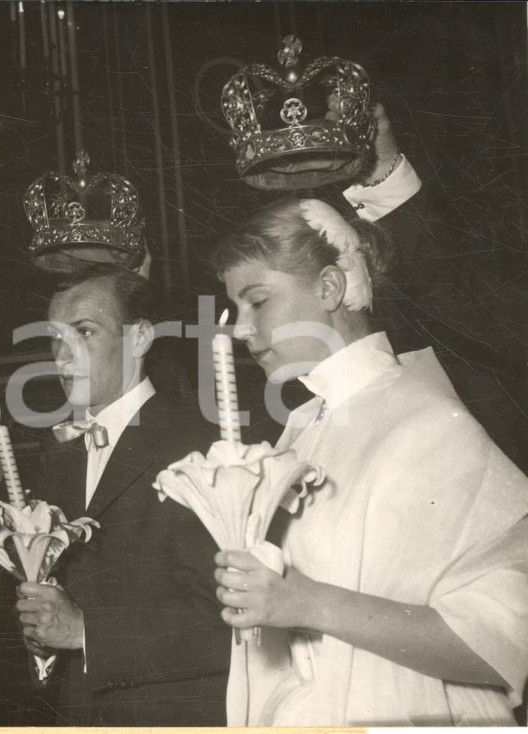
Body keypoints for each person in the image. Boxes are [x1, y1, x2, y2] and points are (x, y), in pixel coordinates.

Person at [210, 196, 528, 726]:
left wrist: (307, 603)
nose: (240, 330)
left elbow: (506, 639)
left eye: (258, 301)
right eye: (235, 309)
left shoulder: (425, 419)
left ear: (330, 288)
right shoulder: (301, 425)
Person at [16, 264, 230, 726]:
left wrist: (86, 632)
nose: (62, 356)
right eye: (54, 337)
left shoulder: (199, 446)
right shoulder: (59, 457)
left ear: (139, 338)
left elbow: (225, 621)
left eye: (84, 332)